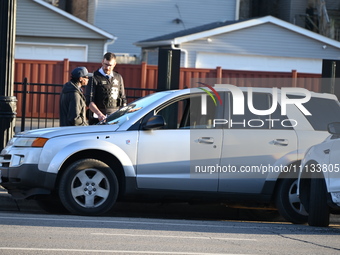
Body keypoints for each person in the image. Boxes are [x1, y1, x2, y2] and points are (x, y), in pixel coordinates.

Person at [86, 52, 127, 124]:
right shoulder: (94, 77)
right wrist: (99, 115)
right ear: (102, 62)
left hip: (114, 116)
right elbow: (89, 101)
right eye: (106, 64)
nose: (107, 68)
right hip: (98, 117)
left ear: (114, 64)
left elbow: (123, 98)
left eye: (110, 65)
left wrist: (123, 113)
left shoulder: (118, 77)